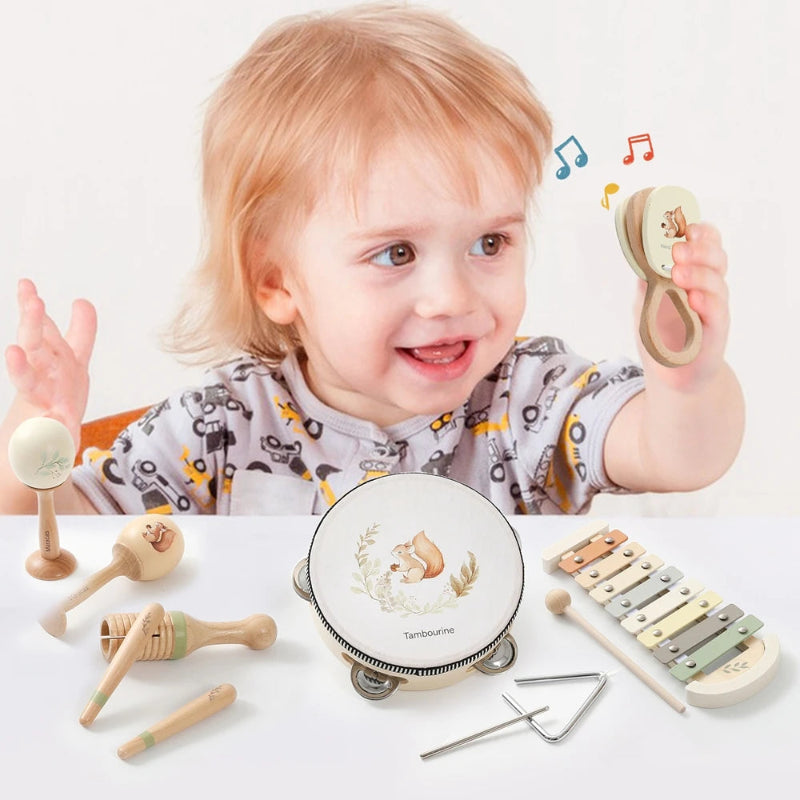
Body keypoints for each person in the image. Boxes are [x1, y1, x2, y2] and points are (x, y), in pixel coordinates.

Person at [0, 3, 744, 517]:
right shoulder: (221, 430)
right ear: (276, 281)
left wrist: (685, 386)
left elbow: (680, 458)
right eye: (395, 252)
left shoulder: (531, 401)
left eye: (491, 242)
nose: (451, 295)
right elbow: (63, 539)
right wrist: (32, 445)